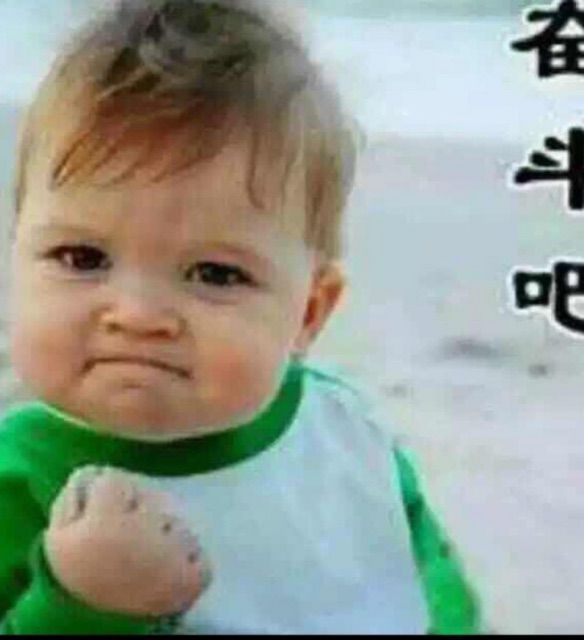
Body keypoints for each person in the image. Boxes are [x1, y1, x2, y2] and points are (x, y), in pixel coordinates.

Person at [0, 0, 482, 633]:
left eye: (216, 274)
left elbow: (427, 575)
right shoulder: (19, 479)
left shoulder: (341, 431)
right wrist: (81, 604)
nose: (139, 315)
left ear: (308, 313)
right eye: (82, 257)